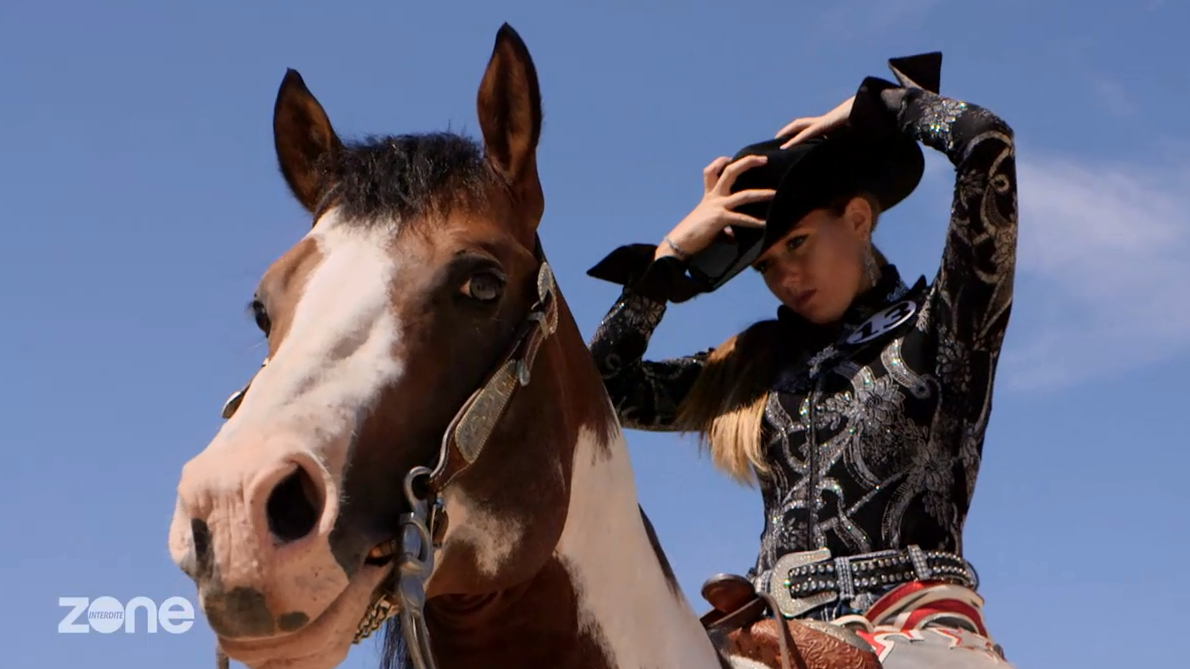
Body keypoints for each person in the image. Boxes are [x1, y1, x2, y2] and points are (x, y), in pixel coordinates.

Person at [585, 52, 1017, 666]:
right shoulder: (753, 363)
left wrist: (883, 108)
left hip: (921, 630)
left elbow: (987, 144)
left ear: (860, 218)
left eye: (798, 243)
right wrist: (668, 257)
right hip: (767, 635)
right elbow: (598, 389)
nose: (786, 275)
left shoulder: (946, 326)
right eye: (766, 264)